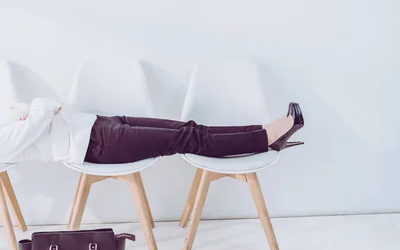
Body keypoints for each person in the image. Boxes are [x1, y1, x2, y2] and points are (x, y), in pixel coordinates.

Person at [0, 98, 304, 165]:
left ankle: (263, 131)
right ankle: (267, 139)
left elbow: (35, 115)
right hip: (94, 145)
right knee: (188, 139)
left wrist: (37, 112)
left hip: (97, 122)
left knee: (190, 129)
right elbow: (39, 111)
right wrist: (39, 108)